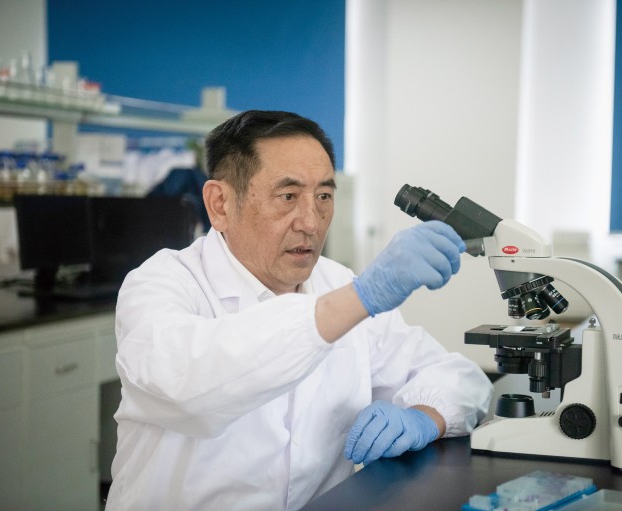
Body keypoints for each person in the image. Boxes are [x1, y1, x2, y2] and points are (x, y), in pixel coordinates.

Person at [105, 110, 493, 511]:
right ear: (220, 204)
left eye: (323, 196)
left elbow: (461, 379)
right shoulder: (162, 284)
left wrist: (425, 417)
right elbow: (188, 384)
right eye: (288, 196)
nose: (311, 222)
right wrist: (359, 300)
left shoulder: (337, 282)